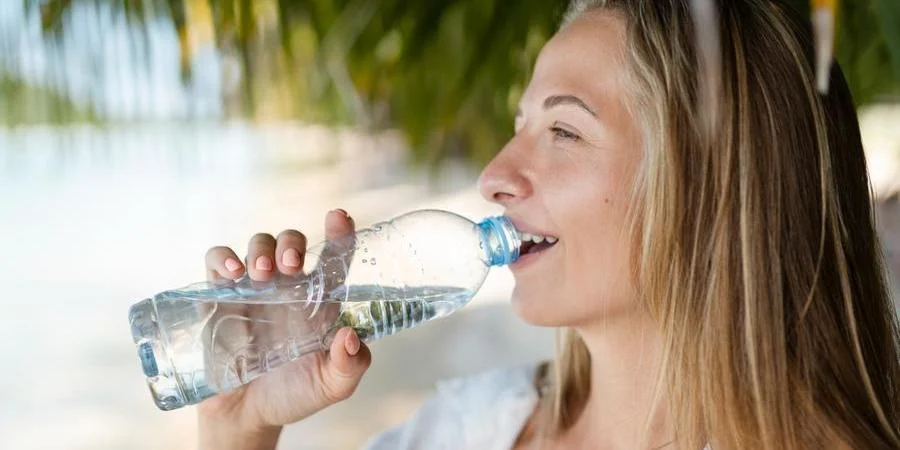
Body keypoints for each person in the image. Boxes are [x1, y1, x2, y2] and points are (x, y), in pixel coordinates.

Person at [198, 0, 900, 448]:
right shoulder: (473, 427)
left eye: (564, 130)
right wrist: (243, 428)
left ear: (717, 184)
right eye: (520, 124)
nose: (494, 174)